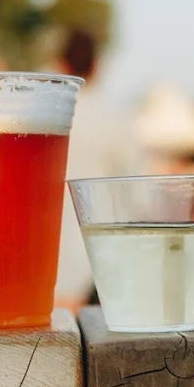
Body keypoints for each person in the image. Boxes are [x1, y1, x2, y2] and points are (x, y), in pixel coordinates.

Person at [53, 28, 136, 312]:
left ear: (60, 64)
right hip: (102, 262)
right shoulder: (116, 120)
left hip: (49, 259)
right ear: (97, 65)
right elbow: (136, 194)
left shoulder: (46, 118)